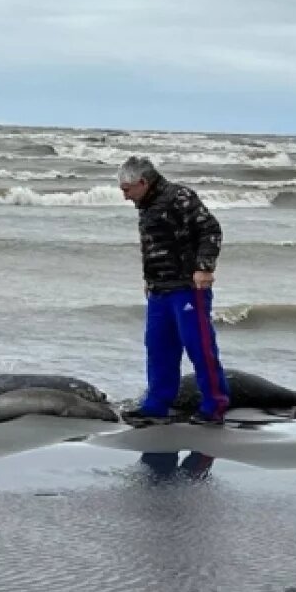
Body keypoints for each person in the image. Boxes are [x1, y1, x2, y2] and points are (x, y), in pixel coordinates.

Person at [118, 155, 231, 426]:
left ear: (143, 182)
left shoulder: (179, 196)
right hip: (160, 290)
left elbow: (211, 229)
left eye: (127, 190)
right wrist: (150, 278)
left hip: (188, 287)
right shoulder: (146, 205)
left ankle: (214, 405)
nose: (125, 197)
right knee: (158, 347)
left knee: (199, 346)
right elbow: (155, 247)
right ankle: (156, 404)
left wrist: (205, 268)